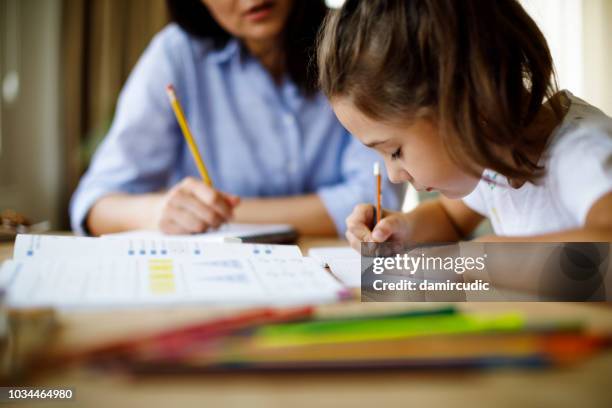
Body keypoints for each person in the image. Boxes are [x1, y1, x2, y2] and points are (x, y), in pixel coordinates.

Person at [70, 0, 402, 236]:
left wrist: (222, 215)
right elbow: (94, 205)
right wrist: (159, 212)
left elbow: (375, 202)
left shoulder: (354, 41)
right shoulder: (176, 55)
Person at [317, 0, 612, 250]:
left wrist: (487, 256)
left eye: (394, 151)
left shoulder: (582, 152)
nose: (393, 176)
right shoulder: (492, 156)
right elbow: (449, 217)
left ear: (464, 100)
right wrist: (401, 230)